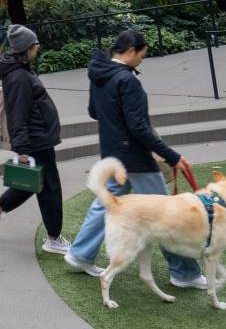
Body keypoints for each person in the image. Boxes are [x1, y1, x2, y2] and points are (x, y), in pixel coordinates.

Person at [63, 29, 207, 290]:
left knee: (105, 204)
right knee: (166, 214)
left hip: (113, 155)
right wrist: (172, 156)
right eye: (142, 55)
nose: (142, 60)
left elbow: (94, 111)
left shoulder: (100, 74)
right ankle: (184, 274)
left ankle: (80, 254)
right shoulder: (127, 81)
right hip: (135, 159)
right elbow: (139, 127)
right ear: (130, 51)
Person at [0, 25, 70, 254]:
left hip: (37, 137)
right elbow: (17, 114)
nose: (38, 47)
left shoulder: (20, 69)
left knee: (33, 183)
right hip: (36, 140)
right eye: (35, 44)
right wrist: (22, 149)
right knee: (50, 188)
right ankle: (54, 238)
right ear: (27, 48)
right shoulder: (19, 75)